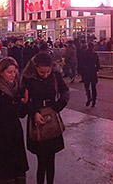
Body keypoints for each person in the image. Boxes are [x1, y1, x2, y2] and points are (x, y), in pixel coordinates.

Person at [22, 52, 69, 184]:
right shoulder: (28, 78)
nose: (45, 74)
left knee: (51, 159)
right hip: (36, 118)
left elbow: (65, 91)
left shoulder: (55, 75)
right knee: (41, 160)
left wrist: (59, 106)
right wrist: (33, 112)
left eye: (48, 71)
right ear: (35, 67)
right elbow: (24, 99)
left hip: (51, 117)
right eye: (42, 72)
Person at [0, 57, 28, 183]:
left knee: (19, 173)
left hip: (15, 134)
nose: (13, 75)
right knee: (4, 174)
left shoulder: (17, 88)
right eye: (9, 72)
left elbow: (21, 114)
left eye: (14, 72)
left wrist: (23, 103)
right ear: (1, 72)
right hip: (1, 136)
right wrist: (15, 104)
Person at [78, 43, 101, 107]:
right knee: (94, 87)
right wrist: (96, 70)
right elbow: (98, 64)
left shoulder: (84, 54)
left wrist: (82, 70)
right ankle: (94, 100)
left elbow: (81, 63)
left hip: (86, 72)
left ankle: (89, 97)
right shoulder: (95, 54)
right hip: (93, 72)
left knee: (87, 86)